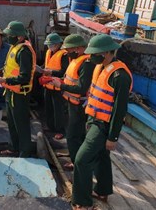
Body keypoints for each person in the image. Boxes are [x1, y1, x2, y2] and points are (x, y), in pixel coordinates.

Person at [71, 34, 132, 210]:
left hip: (103, 125)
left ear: (105, 53)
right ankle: (102, 190)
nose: (90, 57)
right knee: (101, 156)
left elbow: (119, 110)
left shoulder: (120, 76)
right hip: (93, 119)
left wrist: (113, 137)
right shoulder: (102, 68)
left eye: (94, 53)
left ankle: (83, 202)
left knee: (82, 160)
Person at [51, 34, 95, 170]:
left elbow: (82, 88)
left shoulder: (86, 64)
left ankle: (77, 163)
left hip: (79, 105)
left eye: (69, 50)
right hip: (71, 102)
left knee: (73, 135)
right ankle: (74, 156)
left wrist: (61, 86)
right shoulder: (77, 60)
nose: (67, 52)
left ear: (78, 48)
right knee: (75, 134)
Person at [0, 21, 36, 158]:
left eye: (9, 35)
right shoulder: (14, 47)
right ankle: (14, 148)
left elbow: (24, 76)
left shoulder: (24, 52)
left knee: (21, 124)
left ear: (19, 37)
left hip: (20, 94)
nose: (7, 37)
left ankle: (24, 152)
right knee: (12, 123)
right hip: (10, 92)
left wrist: (4, 80)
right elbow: (10, 68)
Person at [41, 33, 69, 139]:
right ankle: (51, 127)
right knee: (48, 108)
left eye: (51, 45)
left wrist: (51, 72)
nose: (49, 47)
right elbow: (46, 65)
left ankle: (60, 130)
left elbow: (63, 71)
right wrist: (40, 69)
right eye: (48, 45)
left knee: (58, 110)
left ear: (57, 45)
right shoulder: (49, 52)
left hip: (58, 87)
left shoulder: (64, 55)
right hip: (48, 85)